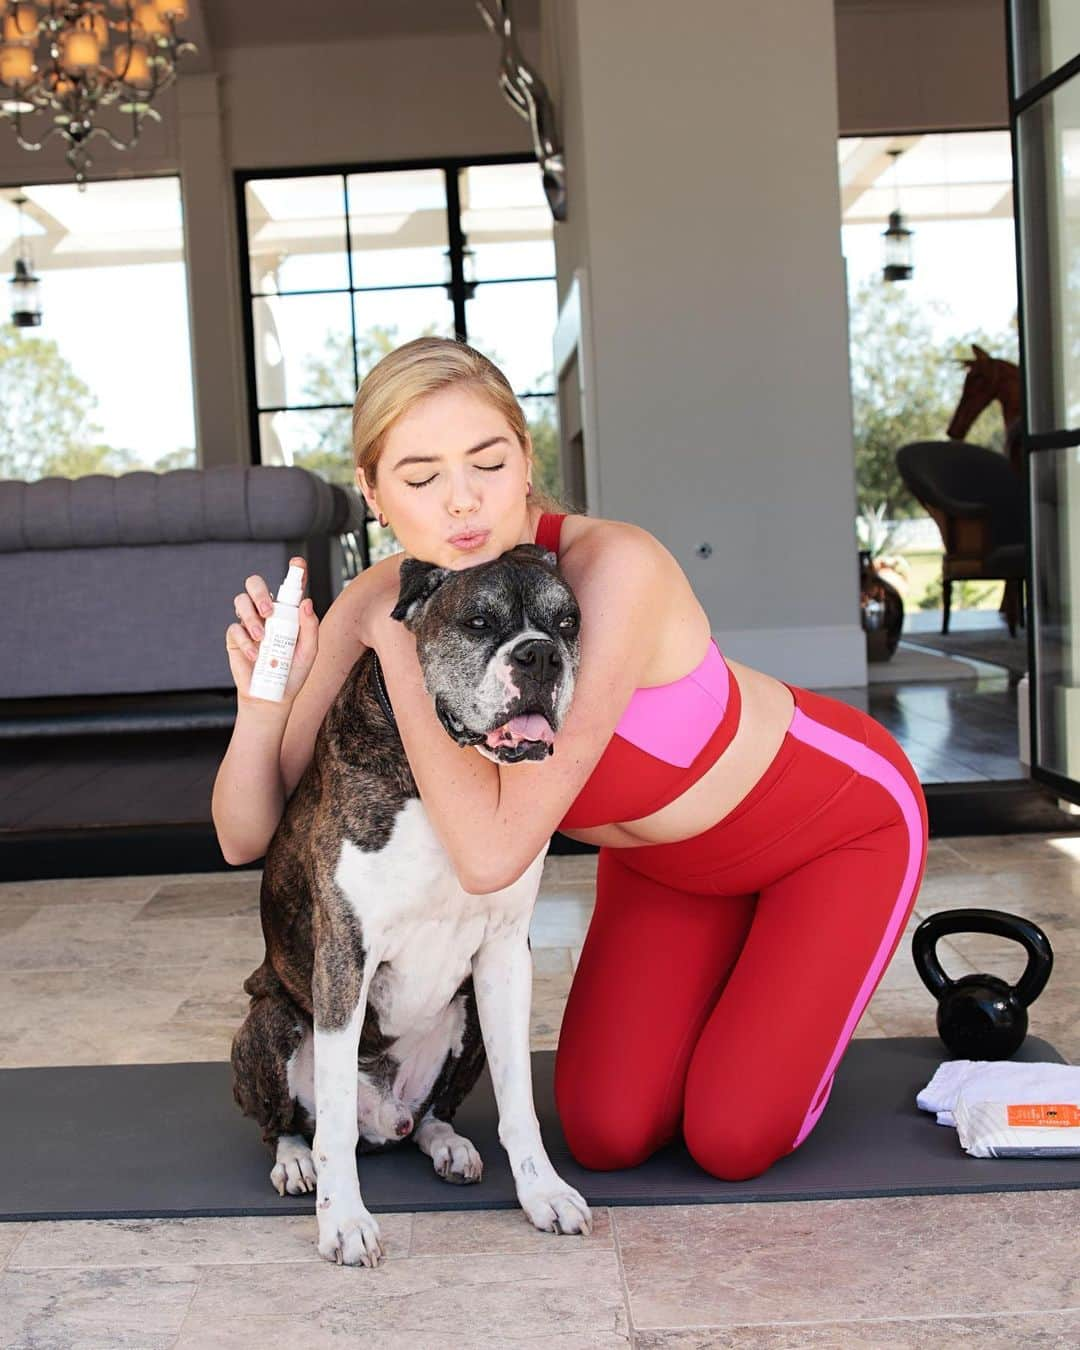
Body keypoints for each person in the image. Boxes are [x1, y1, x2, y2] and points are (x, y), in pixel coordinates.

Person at [212, 335, 929, 1183]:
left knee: (732, 1138)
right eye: (420, 476)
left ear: (525, 460)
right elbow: (247, 836)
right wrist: (262, 711)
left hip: (833, 828)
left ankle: (781, 1000)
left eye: (488, 461)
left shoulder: (608, 570)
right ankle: (737, 982)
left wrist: (395, 646)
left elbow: (490, 857)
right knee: (605, 1132)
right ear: (370, 492)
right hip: (666, 866)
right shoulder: (381, 596)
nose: (463, 502)